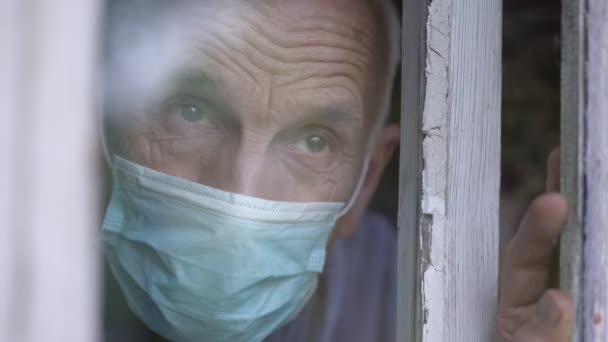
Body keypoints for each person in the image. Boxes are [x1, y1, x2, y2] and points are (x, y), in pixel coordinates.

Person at [101, 0, 574, 341]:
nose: (239, 195)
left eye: (313, 142)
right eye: (191, 111)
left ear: (367, 181)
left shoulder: (424, 306)